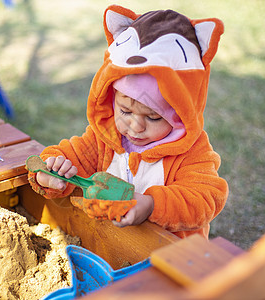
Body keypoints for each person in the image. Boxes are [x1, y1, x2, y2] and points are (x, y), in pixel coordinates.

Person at [28, 5, 228, 239]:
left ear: (180, 116)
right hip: (112, 244)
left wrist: (153, 205)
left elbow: (205, 198)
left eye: (153, 117)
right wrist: (50, 172)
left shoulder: (191, 152)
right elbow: (71, 154)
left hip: (170, 255)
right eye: (124, 111)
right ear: (111, 100)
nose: (135, 126)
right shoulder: (105, 138)